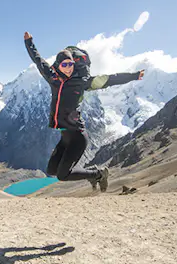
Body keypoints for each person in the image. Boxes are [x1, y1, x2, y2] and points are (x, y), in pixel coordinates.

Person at [24, 32, 144, 192]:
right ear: (58, 65)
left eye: (70, 64)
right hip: (65, 136)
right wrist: (29, 42)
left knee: (62, 175)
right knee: (52, 170)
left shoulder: (82, 82)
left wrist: (134, 76)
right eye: (64, 65)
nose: (68, 68)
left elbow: (109, 80)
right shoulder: (52, 77)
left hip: (78, 136)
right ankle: (93, 174)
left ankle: (98, 174)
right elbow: (38, 60)